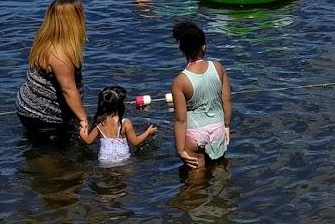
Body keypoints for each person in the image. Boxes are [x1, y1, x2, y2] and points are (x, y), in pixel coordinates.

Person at [14, 0, 92, 145]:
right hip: (43, 115)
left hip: (29, 106)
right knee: (54, 152)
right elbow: (68, 90)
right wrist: (83, 118)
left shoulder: (44, 41)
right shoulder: (60, 55)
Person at [171, 20, 231, 170]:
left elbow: (180, 119)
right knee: (220, 177)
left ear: (182, 50)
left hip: (194, 134)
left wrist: (180, 150)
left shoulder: (180, 81)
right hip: (218, 129)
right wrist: (227, 125)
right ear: (203, 47)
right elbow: (227, 101)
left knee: (195, 186)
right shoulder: (218, 67)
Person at [79, 85, 157, 166]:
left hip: (105, 160)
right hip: (123, 158)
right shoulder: (125, 122)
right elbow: (135, 142)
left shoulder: (100, 123)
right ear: (121, 105)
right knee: (123, 177)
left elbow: (88, 140)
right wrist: (148, 132)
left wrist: (82, 130)